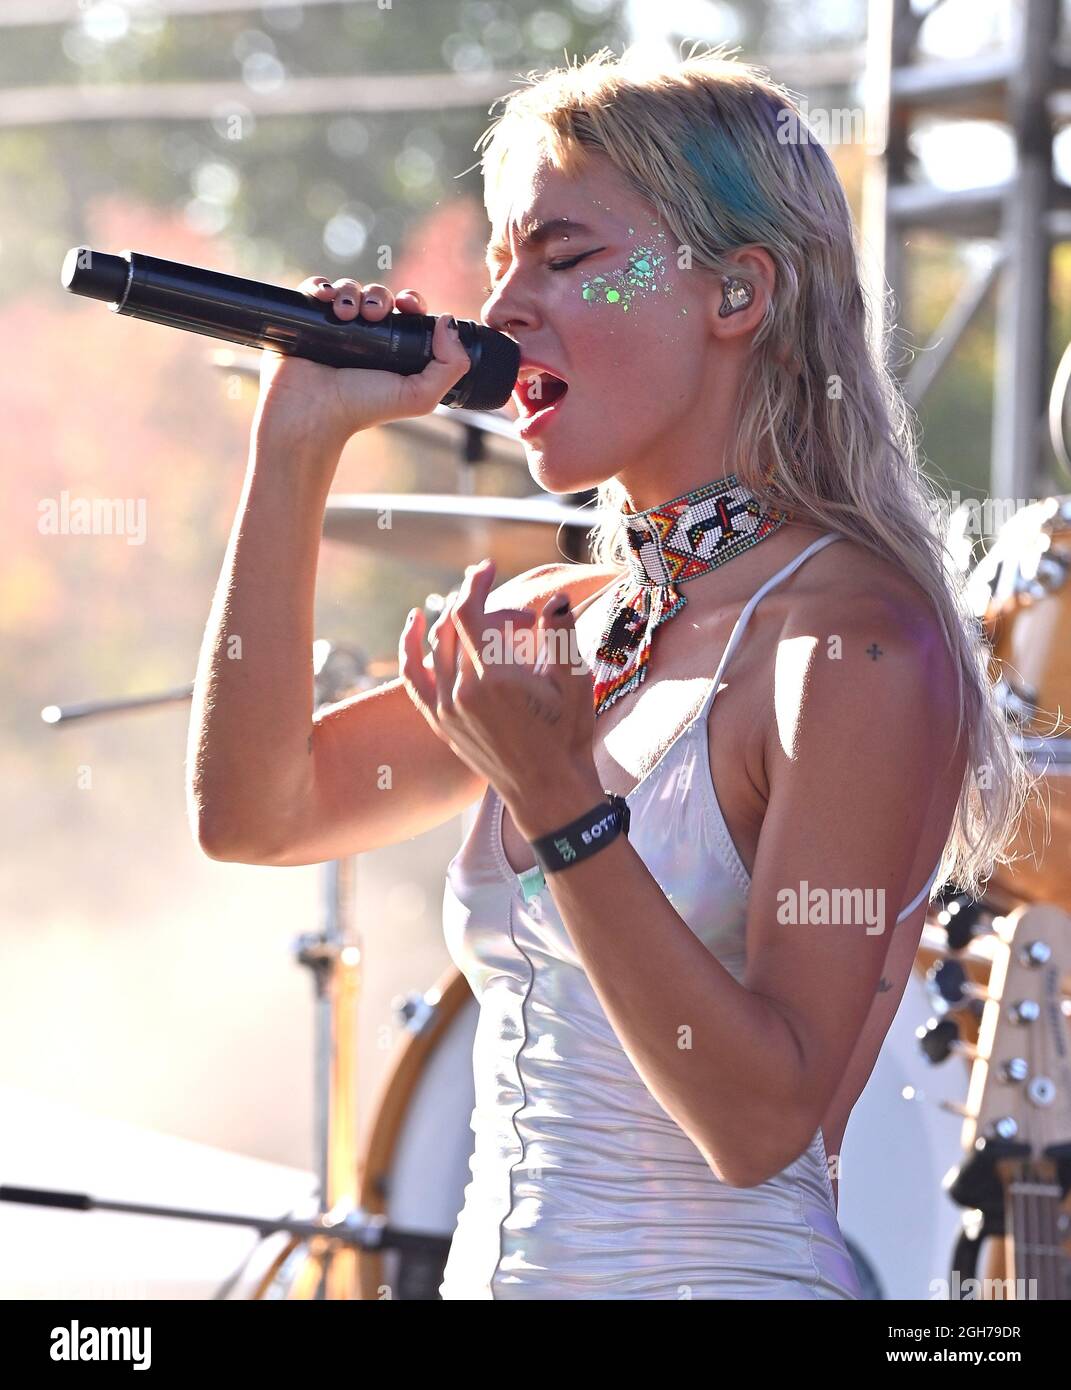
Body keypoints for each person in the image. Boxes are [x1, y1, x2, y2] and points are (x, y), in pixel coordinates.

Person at [187, 46, 1032, 1299]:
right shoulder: (553, 617)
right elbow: (256, 815)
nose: (506, 307)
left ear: (737, 294)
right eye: (499, 264)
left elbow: (761, 1126)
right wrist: (293, 447)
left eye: (568, 256)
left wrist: (558, 800)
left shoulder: (856, 640)